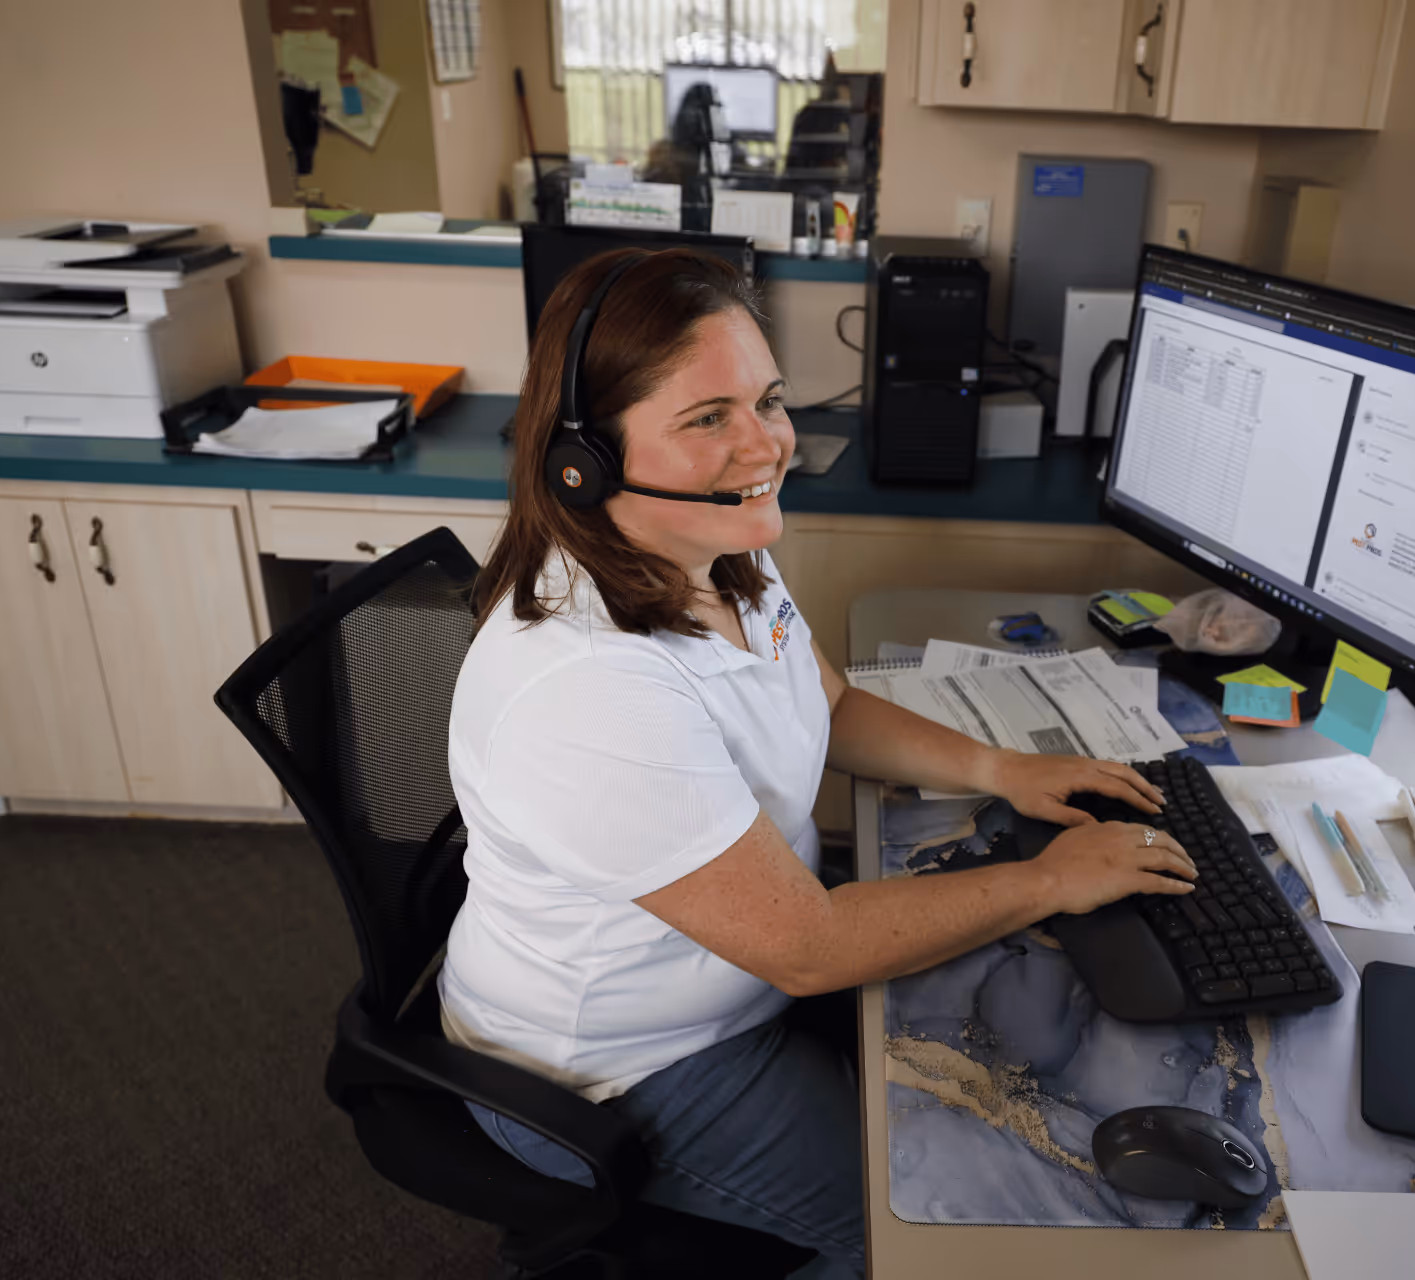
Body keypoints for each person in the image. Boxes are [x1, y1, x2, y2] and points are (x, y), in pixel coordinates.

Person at [439, 248, 1198, 1277]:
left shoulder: (716, 555)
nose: (767, 443)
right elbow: (807, 946)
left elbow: (825, 702)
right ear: (585, 460)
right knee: (937, 1239)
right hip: (620, 1068)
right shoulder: (586, 682)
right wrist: (1048, 877)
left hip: (740, 972)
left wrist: (999, 768)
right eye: (708, 418)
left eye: (769, 399)